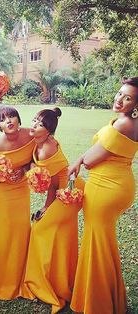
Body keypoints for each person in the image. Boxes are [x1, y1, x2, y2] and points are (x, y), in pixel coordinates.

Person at [68, 77, 138, 314]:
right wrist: (79, 159)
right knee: (102, 242)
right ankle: (106, 298)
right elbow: (93, 154)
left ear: (136, 105)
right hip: (117, 184)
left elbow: (91, 159)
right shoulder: (126, 122)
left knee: (98, 243)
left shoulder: (123, 125)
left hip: (106, 188)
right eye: (120, 93)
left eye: (128, 98)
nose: (120, 99)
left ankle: (99, 305)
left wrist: (80, 160)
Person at [21, 108, 84, 313]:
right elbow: (52, 183)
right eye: (34, 121)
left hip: (70, 192)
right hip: (60, 190)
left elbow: (53, 185)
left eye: (39, 125)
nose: (34, 126)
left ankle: (44, 284)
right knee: (58, 234)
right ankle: (58, 280)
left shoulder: (47, 148)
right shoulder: (38, 143)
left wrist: (47, 206)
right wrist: (46, 207)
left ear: (48, 132)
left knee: (40, 229)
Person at [0, 105, 35, 300]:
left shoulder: (30, 135)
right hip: (3, 191)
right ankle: (2, 280)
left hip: (21, 188)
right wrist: (5, 176)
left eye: (12, 116)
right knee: (7, 229)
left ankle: (23, 274)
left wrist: (25, 169)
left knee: (22, 227)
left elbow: (35, 156)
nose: (9, 121)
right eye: (3, 119)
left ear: (18, 119)